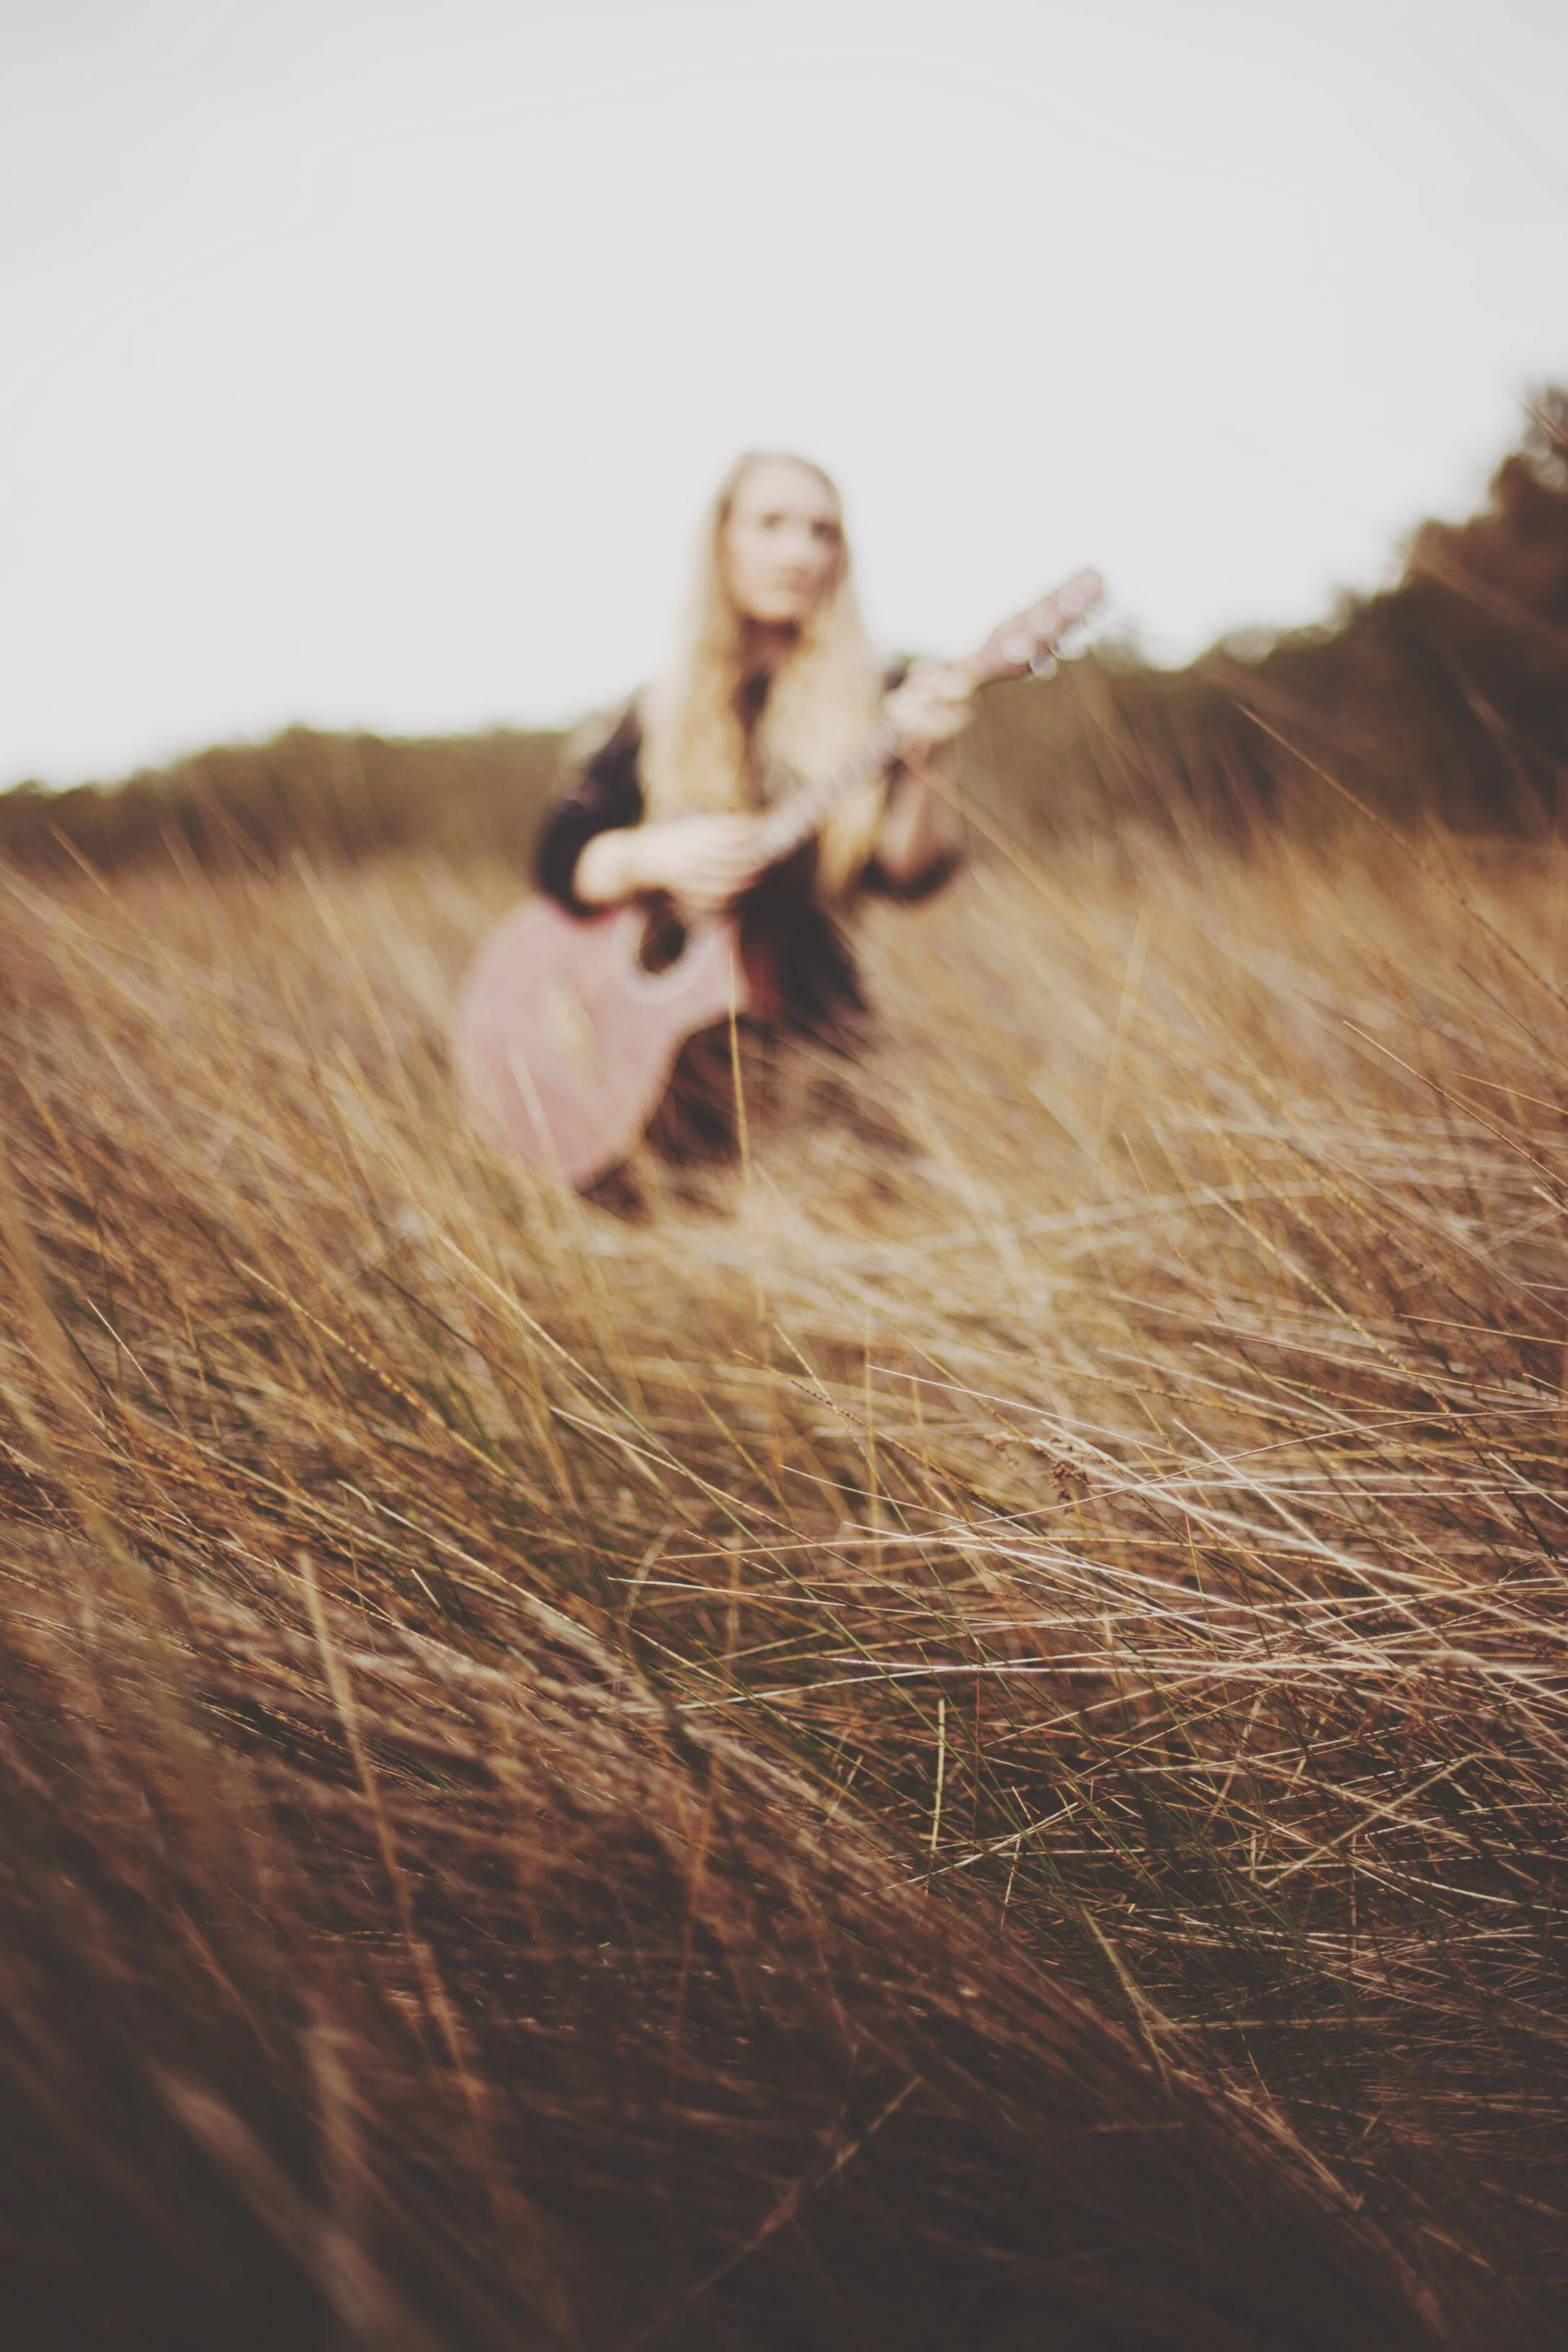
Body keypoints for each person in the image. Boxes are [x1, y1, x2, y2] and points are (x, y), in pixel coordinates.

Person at [533, 450, 974, 1167]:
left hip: (816, 1028)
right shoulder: (661, 707)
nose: (798, 552)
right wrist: (654, 856)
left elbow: (909, 876)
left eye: (822, 532)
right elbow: (557, 858)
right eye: (771, 524)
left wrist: (929, 763)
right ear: (722, 542)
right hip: (662, 1043)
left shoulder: (881, 698)